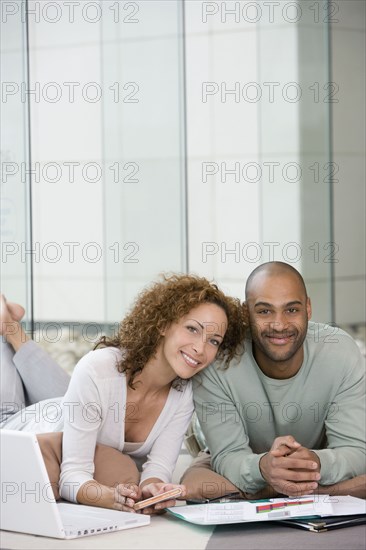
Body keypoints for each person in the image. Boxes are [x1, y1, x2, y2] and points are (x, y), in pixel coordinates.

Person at [0, 275, 246, 513]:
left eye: (214, 341)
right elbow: (72, 478)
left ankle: (10, 325)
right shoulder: (100, 370)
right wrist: (109, 498)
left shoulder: (184, 394)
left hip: (67, 407)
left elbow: (157, 469)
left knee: (71, 392)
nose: (200, 348)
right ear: (162, 324)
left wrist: (154, 491)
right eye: (192, 329)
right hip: (22, 426)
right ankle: (8, 327)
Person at [182, 262, 366, 500]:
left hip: (318, 457)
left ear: (308, 309)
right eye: (264, 311)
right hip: (241, 458)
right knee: (196, 484)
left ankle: (280, 492)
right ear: (246, 313)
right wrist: (264, 467)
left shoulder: (340, 351)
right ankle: (306, 493)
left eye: (291, 310)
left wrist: (315, 462)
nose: (279, 325)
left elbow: (356, 451)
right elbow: (228, 456)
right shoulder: (219, 360)